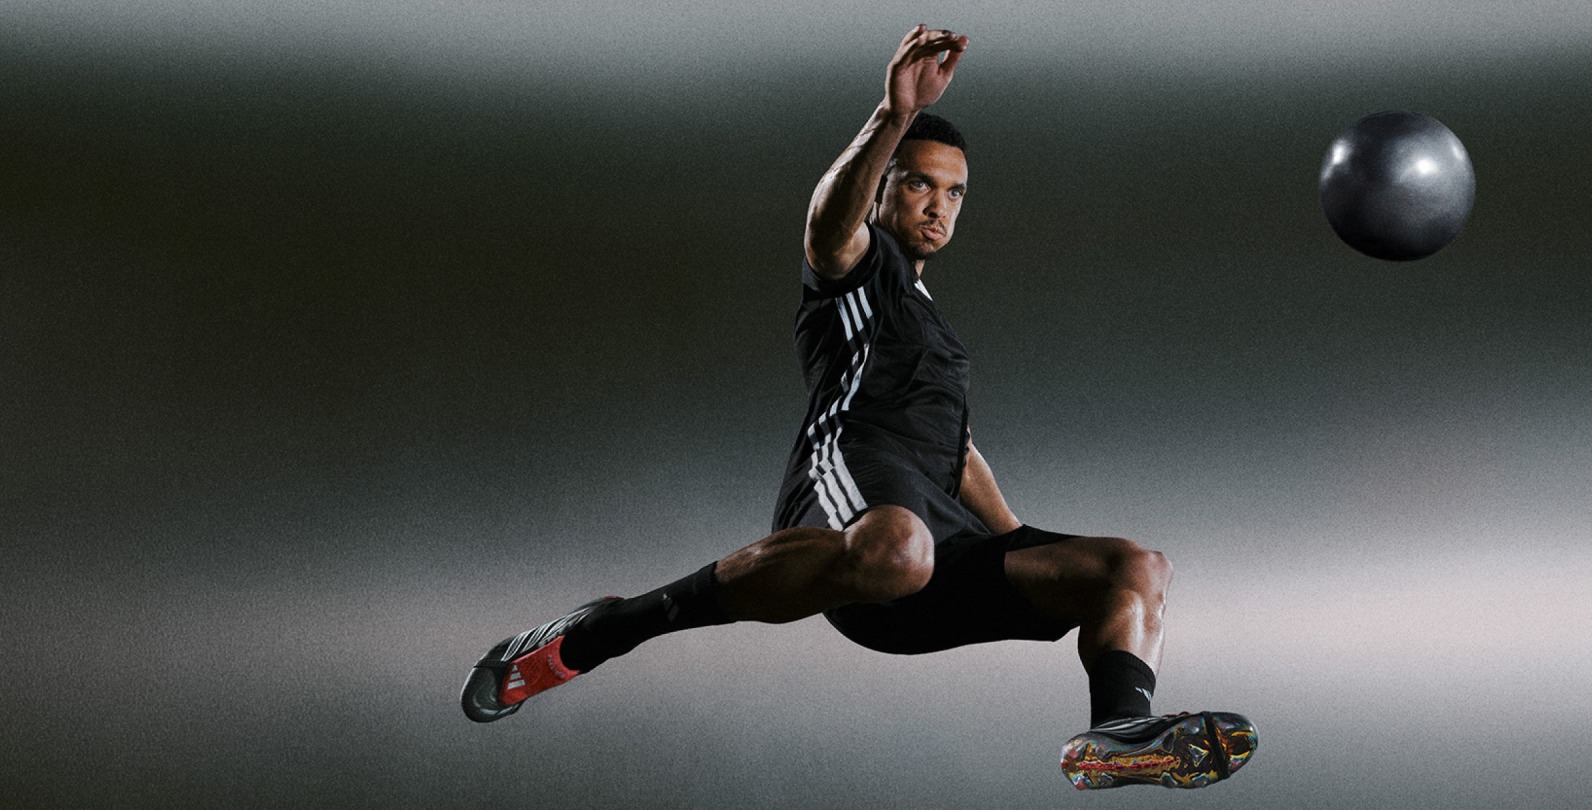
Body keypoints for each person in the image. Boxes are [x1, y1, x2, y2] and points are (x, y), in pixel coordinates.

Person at [460, 24, 1257, 791]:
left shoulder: (935, 326)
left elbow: (961, 451)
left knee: (1137, 567)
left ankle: (1117, 736)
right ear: (882, 187)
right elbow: (826, 225)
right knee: (899, 547)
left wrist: (1015, 547)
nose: (939, 205)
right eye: (918, 183)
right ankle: (602, 631)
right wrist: (894, 115)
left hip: (936, 553)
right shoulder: (856, 269)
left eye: (954, 192)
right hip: (858, 512)